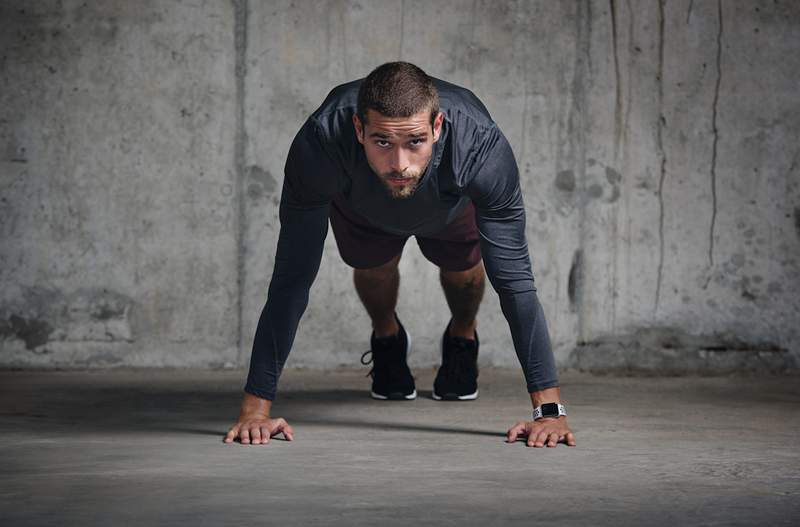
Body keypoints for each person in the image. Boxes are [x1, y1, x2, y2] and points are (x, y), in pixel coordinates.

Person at [224, 61, 576, 448]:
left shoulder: (480, 146)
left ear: (437, 127)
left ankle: (462, 336)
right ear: (358, 129)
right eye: (382, 142)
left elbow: (516, 283)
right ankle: (387, 338)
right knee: (373, 270)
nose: (400, 164)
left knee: (464, 272)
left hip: (450, 208)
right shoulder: (321, 142)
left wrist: (549, 412)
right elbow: (292, 277)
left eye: (415, 141)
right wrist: (255, 411)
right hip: (361, 206)